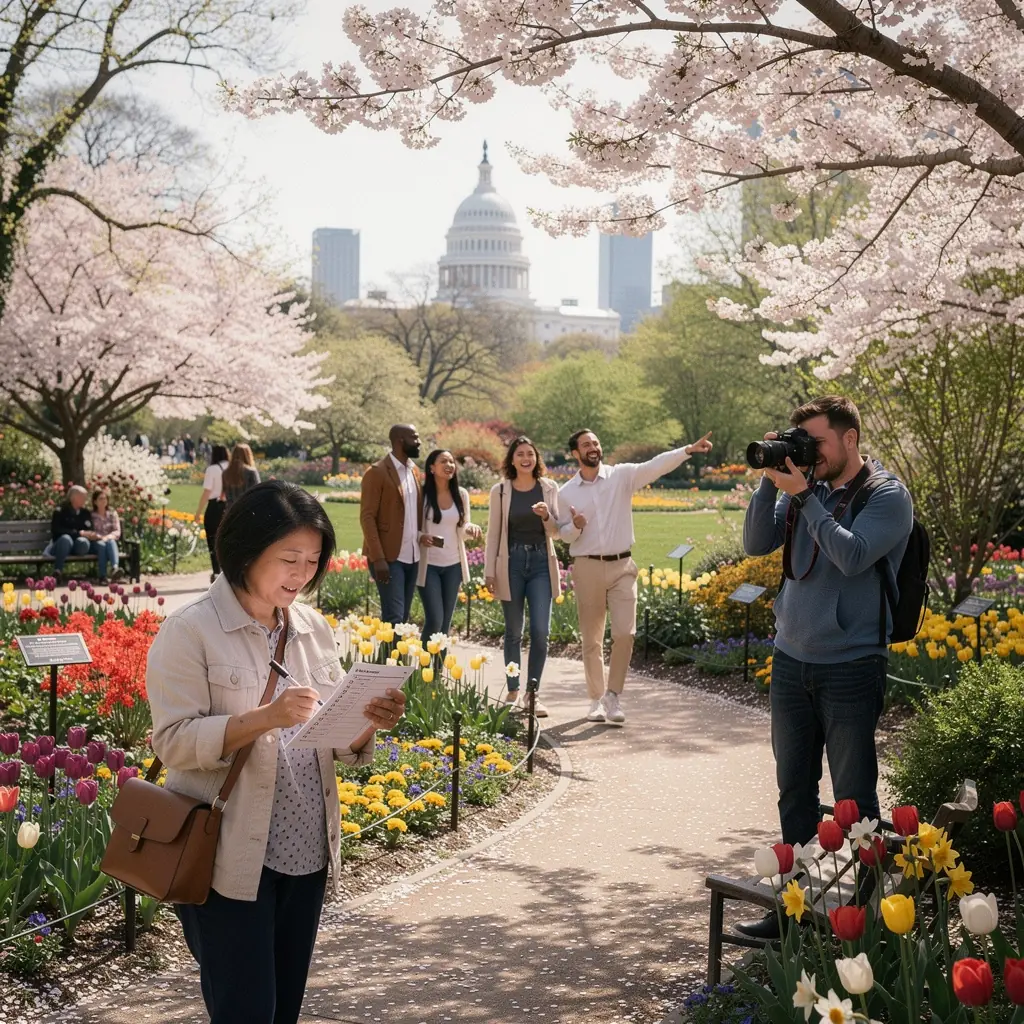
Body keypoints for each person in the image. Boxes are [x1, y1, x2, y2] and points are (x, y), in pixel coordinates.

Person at [147, 481, 406, 1024]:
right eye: (289, 558)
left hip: (306, 846)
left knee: (283, 1007)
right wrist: (265, 718)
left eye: (313, 560)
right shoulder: (189, 630)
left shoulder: (310, 627)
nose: (302, 573)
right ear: (245, 551)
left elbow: (334, 735)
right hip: (229, 856)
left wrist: (366, 723)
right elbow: (172, 740)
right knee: (246, 1010)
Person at [737, 395, 913, 940]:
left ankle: (861, 917)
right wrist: (772, 476)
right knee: (793, 790)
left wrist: (807, 497)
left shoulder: (886, 495)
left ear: (850, 438)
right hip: (791, 659)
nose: (807, 451)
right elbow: (755, 544)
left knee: (854, 798)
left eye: (816, 442)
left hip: (851, 665)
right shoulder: (801, 489)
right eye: (801, 442)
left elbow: (854, 556)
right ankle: (792, 910)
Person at [558, 428, 713, 725]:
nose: (593, 447)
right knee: (591, 639)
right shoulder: (567, 494)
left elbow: (654, 465)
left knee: (624, 634)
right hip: (587, 566)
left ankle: (613, 696)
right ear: (575, 454)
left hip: (622, 566)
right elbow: (563, 534)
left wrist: (687, 451)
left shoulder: (622, 475)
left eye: (596, 442)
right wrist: (576, 526)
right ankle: (595, 700)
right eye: (586, 445)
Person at [484, 436, 565, 717]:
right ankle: (513, 689)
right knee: (513, 632)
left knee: (541, 632)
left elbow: (556, 532)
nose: (526, 458)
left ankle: (533, 693)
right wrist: (489, 571)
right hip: (512, 563)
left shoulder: (548, 488)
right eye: (520, 454)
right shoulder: (501, 491)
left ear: (536, 458)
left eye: (530, 453)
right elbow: (493, 533)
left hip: (542, 562)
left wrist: (546, 516)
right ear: (512, 459)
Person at [415, 450, 482, 648]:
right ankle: (424, 669)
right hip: (429, 567)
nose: (449, 464)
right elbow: (411, 528)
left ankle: (436, 674)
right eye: (443, 461)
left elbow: (462, 527)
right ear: (432, 468)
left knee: (445, 624)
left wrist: (470, 528)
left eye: (452, 461)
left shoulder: (461, 495)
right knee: (435, 619)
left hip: (453, 566)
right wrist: (422, 537)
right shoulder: (422, 495)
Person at [359, 424, 423, 625]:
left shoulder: (414, 471)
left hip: (413, 556)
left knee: (402, 618)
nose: (419, 442)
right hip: (388, 558)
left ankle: (394, 657)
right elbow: (367, 517)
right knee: (394, 617)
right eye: (414, 437)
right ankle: (389, 658)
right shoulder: (377, 472)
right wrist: (378, 558)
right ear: (399, 441)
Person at [195, 445, 230, 582]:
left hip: (215, 506)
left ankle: (217, 572)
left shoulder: (213, 469)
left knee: (213, 539)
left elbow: (207, 492)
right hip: (230, 506)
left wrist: (198, 512)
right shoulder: (231, 467)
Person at [49, 485, 93, 582]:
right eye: (83, 497)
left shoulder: (85, 512)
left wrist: (87, 534)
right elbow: (56, 529)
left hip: (78, 546)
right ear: (74, 497)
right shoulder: (60, 510)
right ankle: (57, 572)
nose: (85, 499)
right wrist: (77, 533)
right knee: (66, 539)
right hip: (61, 546)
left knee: (83, 542)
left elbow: (89, 529)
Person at [85, 488, 123, 584]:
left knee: (111, 541)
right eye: (100, 499)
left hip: (109, 540)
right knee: (102, 545)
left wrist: (107, 537)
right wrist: (98, 537)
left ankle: (115, 568)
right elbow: (88, 531)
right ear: (95, 501)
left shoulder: (112, 514)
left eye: (105, 498)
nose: (103, 501)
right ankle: (102, 577)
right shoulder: (90, 515)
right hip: (95, 542)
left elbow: (117, 531)